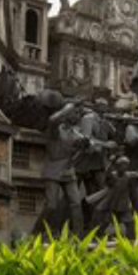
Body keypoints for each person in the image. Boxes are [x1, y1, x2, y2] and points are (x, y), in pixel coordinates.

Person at [40, 101, 89, 236]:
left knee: (76, 203)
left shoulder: (75, 132)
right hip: (53, 170)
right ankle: (39, 231)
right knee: (51, 205)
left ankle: (78, 236)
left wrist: (78, 155)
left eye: (79, 113)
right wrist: (69, 106)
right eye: (75, 113)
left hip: (68, 171)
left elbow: (83, 149)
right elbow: (52, 119)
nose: (78, 116)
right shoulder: (56, 130)